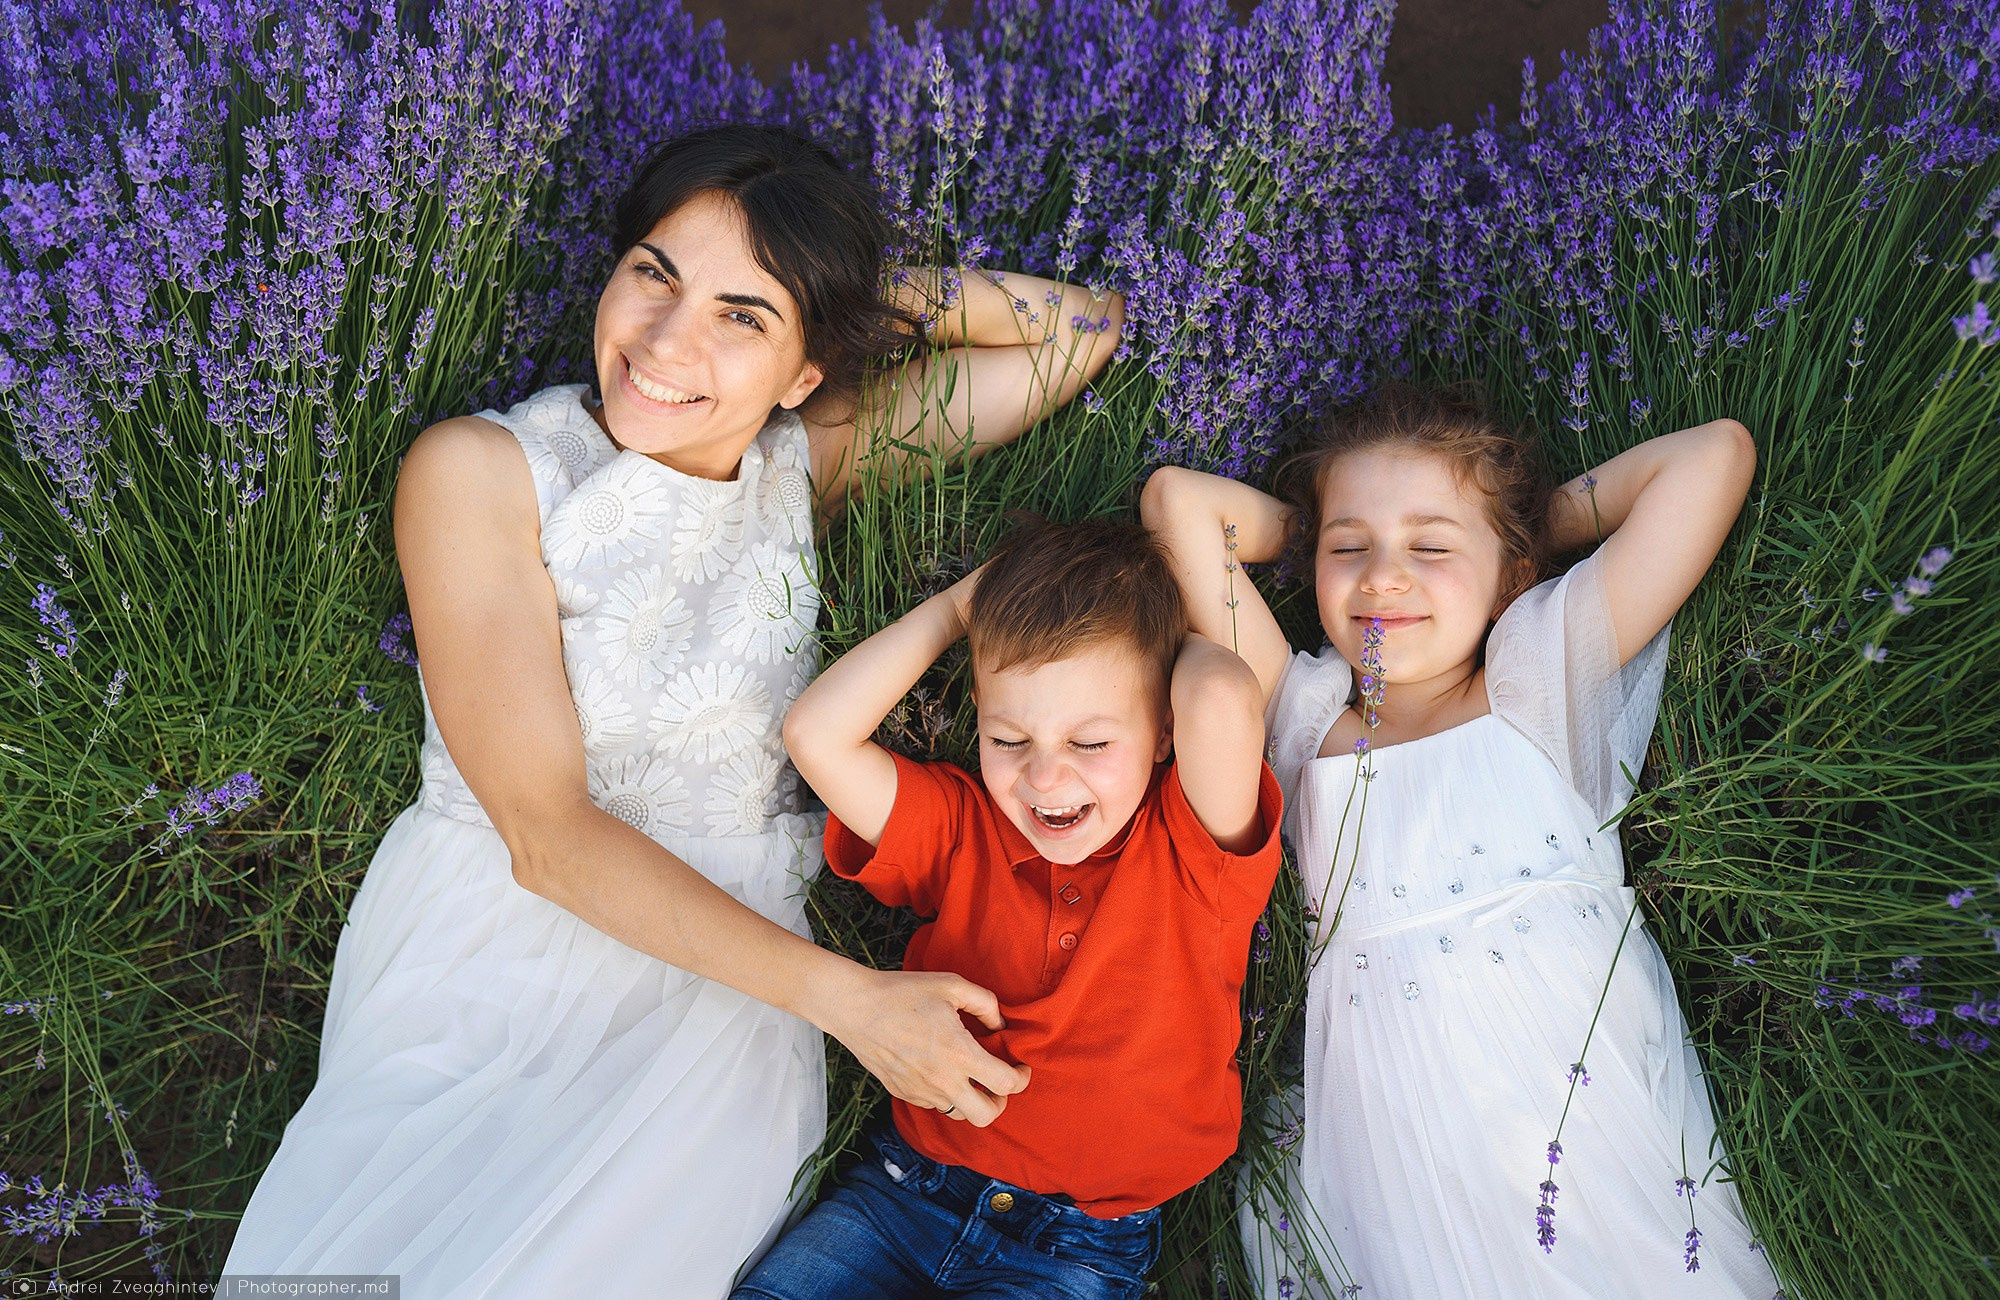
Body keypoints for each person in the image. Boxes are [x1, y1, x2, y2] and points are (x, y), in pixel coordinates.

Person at [222, 123, 1123, 1297]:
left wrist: (856, 292)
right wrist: (854, 1003)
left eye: (741, 316)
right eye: (654, 273)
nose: (663, 340)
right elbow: (545, 835)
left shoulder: (802, 461)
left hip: (725, 990)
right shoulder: (481, 469)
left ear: (804, 372)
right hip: (497, 949)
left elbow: (1077, 331)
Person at [1141, 383, 1779, 1298]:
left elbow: (1714, 455)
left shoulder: (1535, 683)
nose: (1381, 577)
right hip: (1394, 1140)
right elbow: (1175, 503)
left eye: (1431, 548)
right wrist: (1327, 528)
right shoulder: (1302, 718)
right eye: (1348, 547)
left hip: (1568, 1108)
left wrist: (1526, 531)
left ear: (1510, 578)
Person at [733, 520, 1284, 1299]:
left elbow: (1222, 694)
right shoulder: (962, 831)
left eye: (1091, 743)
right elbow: (816, 734)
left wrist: (1146, 629)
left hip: (1076, 1246)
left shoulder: (1194, 857)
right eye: (1008, 738)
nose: (1046, 778)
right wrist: (959, 608)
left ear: (1165, 731)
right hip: (904, 1196)